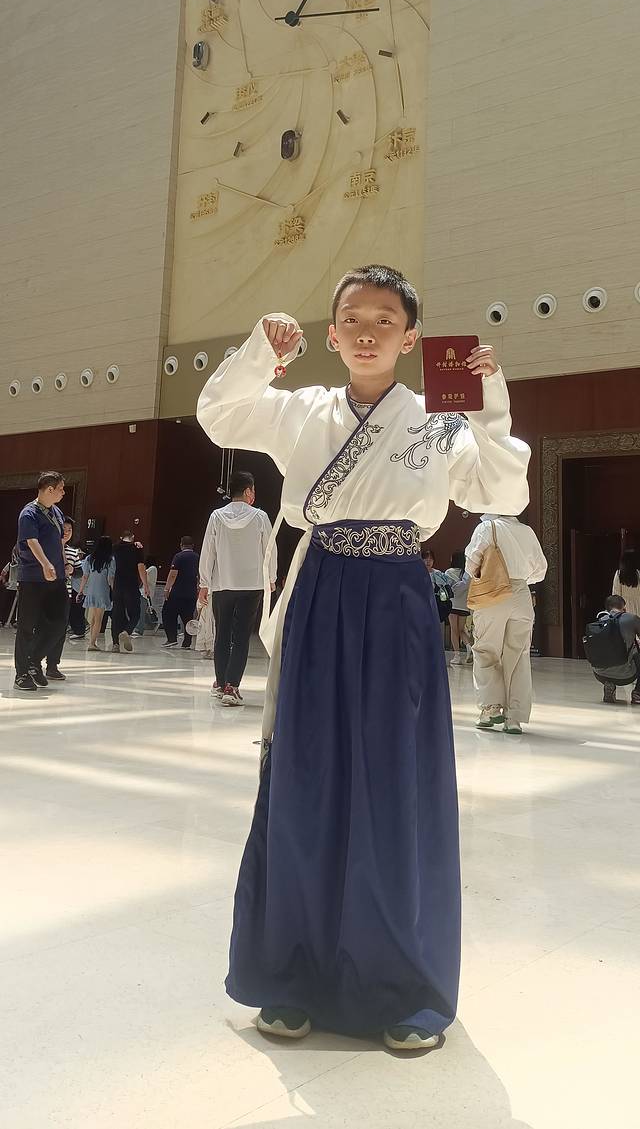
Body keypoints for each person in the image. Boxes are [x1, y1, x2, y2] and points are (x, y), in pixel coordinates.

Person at [196, 263, 530, 1051]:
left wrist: (489, 402)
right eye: (352, 318)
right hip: (319, 594)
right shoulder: (303, 410)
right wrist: (260, 351)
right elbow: (220, 413)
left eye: (385, 319)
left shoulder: (436, 421)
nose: (368, 331)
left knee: (394, 782)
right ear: (333, 333)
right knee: (306, 776)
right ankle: (292, 975)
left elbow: (504, 491)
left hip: (395, 600)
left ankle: (400, 985)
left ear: (411, 338)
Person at [199, 472, 277, 705]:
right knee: (241, 636)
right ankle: (232, 687)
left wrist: (204, 583)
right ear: (247, 491)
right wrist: (271, 578)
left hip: (222, 584)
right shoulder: (260, 517)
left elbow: (208, 551)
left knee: (222, 634)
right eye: (253, 490)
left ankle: (221, 682)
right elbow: (269, 549)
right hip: (252, 585)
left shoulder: (216, 516)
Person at [466, 513, 547, 735]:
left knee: (486, 651)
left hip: (493, 593)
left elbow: (471, 564)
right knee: (519, 655)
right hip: (521, 594)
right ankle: (514, 718)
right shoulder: (527, 531)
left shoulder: (487, 527)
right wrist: (519, 577)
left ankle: (491, 708)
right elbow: (540, 570)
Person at [13, 471, 69, 690]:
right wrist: (45, 564)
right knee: (27, 626)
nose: (63, 492)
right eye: (61, 488)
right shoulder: (29, 513)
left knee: (58, 623)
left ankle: (34, 660)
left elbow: (58, 542)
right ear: (50, 489)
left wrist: (63, 563)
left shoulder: (57, 512)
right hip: (33, 578)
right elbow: (32, 542)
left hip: (56, 578)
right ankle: (21, 674)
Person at [585, 595, 640, 704]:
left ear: (607, 609)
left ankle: (609, 683)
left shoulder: (601, 621)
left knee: (610, 654)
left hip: (599, 673)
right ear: (624, 607)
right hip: (626, 675)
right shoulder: (632, 618)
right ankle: (638, 693)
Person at [111, 530, 150, 652]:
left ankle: (115, 644)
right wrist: (146, 585)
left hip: (117, 585)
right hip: (131, 585)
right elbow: (141, 567)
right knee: (135, 613)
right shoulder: (136, 549)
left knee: (117, 614)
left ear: (121, 537)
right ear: (132, 537)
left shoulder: (115, 548)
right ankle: (127, 631)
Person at [78, 536, 115, 650]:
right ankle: (92, 643)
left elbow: (85, 576)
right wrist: (114, 591)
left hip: (91, 590)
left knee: (93, 618)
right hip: (102, 590)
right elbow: (110, 578)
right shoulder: (110, 560)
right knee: (99, 619)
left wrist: (80, 591)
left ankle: (92, 642)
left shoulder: (89, 558)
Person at [162, 538, 199, 650]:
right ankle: (187, 642)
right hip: (191, 593)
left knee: (168, 614)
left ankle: (172, 639)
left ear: (181, 545)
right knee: (188, 617)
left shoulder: (179, 557)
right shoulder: (198, 557)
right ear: (192, 545)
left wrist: (167, 589)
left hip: (177, 592)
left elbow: (173, 574)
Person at [421, 545, 452, 643]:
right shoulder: (418, 573)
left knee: (436, 626)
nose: (428, 562)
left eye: (430, 559)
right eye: (425, 559)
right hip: (422, 604)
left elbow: (447, 585)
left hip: (436, 604)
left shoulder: (438, 573)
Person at [446, 551, 472, 665]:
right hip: (464, 605)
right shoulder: (467, 574)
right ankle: (469, 646)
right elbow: (467, 585)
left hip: (452, 603)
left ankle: (457, 656)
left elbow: (447, 586)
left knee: (454, 630)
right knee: (461, 629)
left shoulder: (449, 572)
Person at [63, 518, 86, 639]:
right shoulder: (46, 549)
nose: (66, 532)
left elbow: (80, 572)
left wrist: (72, 571)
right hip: (46, 593)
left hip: (66, 594)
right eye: (64, 529)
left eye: (69, 530)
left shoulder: (72, 552)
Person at [134, 554, 158, 635]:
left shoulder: (152, 569)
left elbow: (143, 574)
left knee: (141, 612)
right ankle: (151, 625)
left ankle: (139, 629)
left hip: (145, 593)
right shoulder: (153, 569)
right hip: (145, 593)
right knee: (144, 612)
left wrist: (142, 568)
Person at [612, 549, 640, 618]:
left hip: (624, 613)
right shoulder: (638, 575)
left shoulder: (619, 574)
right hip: (638, 611)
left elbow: (616, 596)